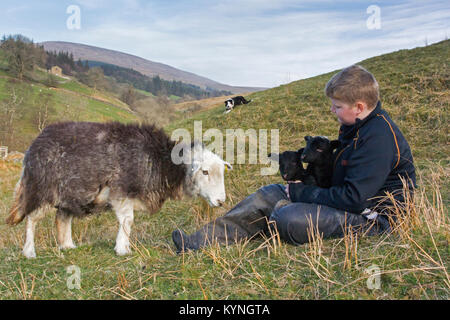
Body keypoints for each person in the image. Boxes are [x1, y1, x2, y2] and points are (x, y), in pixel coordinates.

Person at [172, 65, 416, 253]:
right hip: (343, 199)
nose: (333, 111)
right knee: (268, 193)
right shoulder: (355, 126)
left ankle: (278, 216)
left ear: (359, 106)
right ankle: (196, 242)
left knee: (286, 217)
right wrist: (305, 179)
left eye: (337, 106)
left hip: (372, 218)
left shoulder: (378, 138)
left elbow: (354, 198)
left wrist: (303, 194)